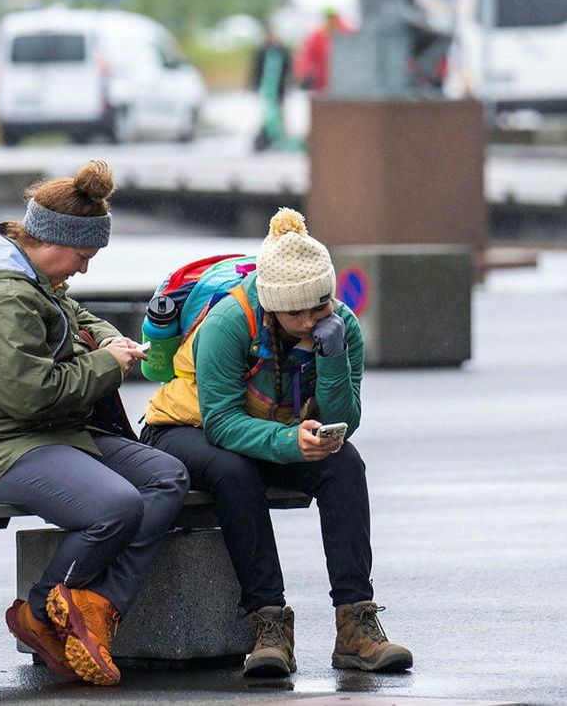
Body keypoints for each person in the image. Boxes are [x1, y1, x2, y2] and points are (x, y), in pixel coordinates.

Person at [0, 161, 189, 687]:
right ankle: (40, 611)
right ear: (54, 241)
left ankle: (96, 607)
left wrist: (106, 340)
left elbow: (77, 316)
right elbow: (30, 396)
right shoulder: (1, 295)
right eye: (83, 257)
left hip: (38, 434)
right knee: (115, 506)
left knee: (166, 477)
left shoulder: (35, 278)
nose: (83, 270)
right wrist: (109, 366)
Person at [140, 208, 413, 679]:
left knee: (344, 462)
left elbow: (345, 420)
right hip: (185, 428)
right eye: (296, 311)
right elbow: (222, 423)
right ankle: (268, 625)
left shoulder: (341, 327)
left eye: (320, 306)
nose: (310, 320)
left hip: (273, 430)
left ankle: (356, 626)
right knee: (233, 471)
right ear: (270, 304)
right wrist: (290, 442)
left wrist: (330, 359)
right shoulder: (230, 322)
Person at [249, 24, 293, 152]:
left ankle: (279, 136)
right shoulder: (262, 51)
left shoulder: (282, 50)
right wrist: (255, 85)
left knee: (279, 112)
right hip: (267, 89)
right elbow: (256, 70)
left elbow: (288, 67)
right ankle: (268, 136)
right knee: (268, 113)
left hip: (279, 89)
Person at [294, 8, 350, 93]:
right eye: (329, 19)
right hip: (320, 83)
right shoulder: (317, 36)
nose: (331, 22)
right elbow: (307, 58)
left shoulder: (343, 35)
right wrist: (305, 74)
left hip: (339, 83)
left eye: (333, 19)